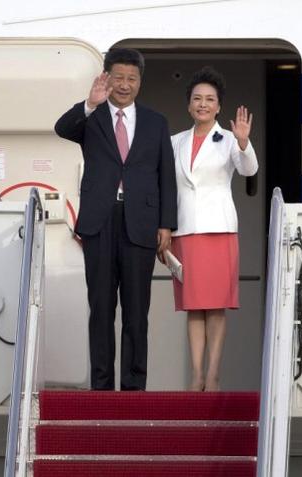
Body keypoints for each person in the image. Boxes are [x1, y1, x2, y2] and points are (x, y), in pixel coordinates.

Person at [55, 48, 177, 391]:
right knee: (101, 308)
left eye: (131, 78)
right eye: (118, 78)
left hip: (141, 223)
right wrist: (90, 103)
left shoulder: (156, 121)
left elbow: (165, 175)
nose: (124, 85)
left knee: (137, 312)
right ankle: (102, 386)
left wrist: (166, 223)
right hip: (100, 222)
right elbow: (61, 128)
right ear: (107, 78)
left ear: (140, 81)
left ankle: (135, 386)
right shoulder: (90, 117)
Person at [170, 67, 258, 391]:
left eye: (210, 100)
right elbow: (169, 188)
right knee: (194, 306)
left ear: (219, 106)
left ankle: (213, 374)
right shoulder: (174, 142)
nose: (203, 104)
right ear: (189, 105)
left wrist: (245, 142)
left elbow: (249, 169)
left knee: (215, 306)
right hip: (185, 230)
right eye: (197, 99)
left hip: (218, 230)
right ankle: (196, 375)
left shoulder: (229, 140)